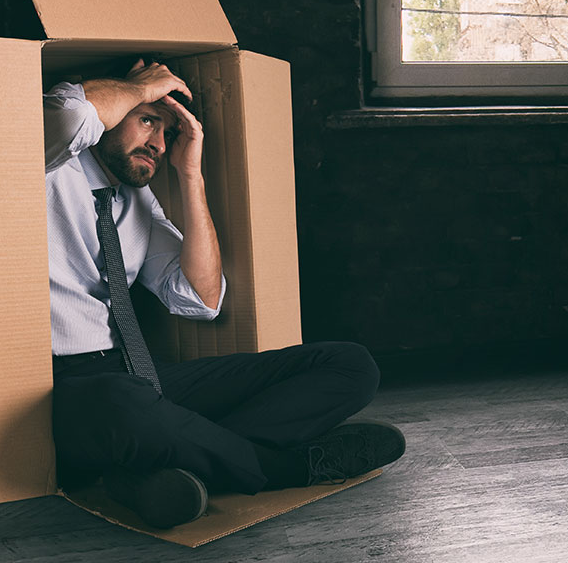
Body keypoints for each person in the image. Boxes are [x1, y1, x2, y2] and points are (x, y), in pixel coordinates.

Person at [44, 59, 405, 530]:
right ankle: (285, 469)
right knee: (119, 404)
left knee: (350, 365)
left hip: (132, 376)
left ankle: (158, 474)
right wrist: (140, 86)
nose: (157, 143)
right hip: (60, 390)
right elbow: (67, 115)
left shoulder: (134, 201)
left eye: (168, 133)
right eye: (148, 119)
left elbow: (200, 298)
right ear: (114, 113)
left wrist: (190, 176)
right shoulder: (48, 162)